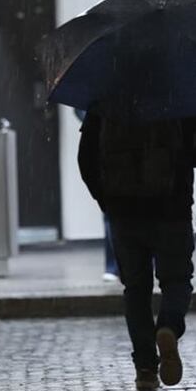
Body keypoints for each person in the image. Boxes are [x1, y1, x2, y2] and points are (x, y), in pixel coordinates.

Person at [78, 112, 196, 391]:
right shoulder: (179, 95)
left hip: (124, 212)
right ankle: (168, 326)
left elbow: (86, 159)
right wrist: (183, 159)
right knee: (177, 280)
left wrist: (107, 200)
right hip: (172, 209)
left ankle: (145, 368)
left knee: (136, 289)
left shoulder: (106, 99)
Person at [74, 108, 120, 281]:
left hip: (116, 176)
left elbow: (86, 160)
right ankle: (116, 265)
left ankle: (115, 266)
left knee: (113, 220)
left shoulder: (101, 103)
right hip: (148, 179)